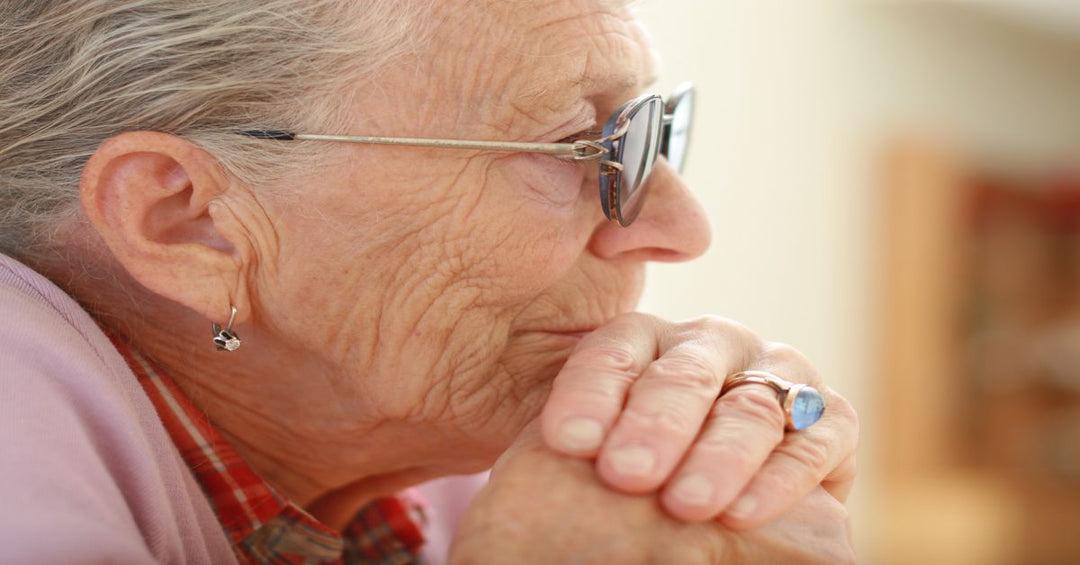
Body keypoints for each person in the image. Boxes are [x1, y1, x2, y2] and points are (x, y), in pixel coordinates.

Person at [0, 0, 858, 563]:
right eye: (577, 145)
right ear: (189, 220)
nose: (683, 230)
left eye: (645, 134)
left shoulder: (423, 452)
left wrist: (688, 477)